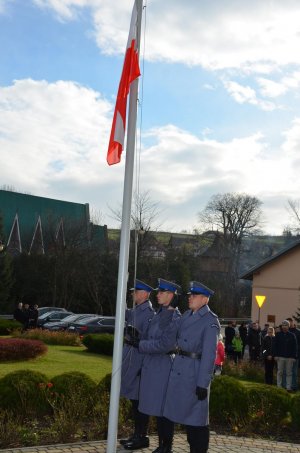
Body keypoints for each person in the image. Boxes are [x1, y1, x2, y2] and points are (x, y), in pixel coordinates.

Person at [140, 280, 220, 453]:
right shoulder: (186, 315)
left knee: (196, 422)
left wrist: (202, 383)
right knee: (174, 415)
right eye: (190, 295)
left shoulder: (210, 321)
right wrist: (170, 310)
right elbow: (166, 330)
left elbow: (209, 355)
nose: (190, 298)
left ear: (205, 299)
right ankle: (166, 447)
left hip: (193, 373)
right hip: (179, 370)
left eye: (194, 295)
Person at [138, 278, 182, 453]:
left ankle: (166, 446)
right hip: (152, 365)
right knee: (156, 408)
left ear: (171, 295)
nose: (158, 295)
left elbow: (165, 345)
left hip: (163, 365)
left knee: (164, 409)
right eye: (159, 291)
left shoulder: (174, 317)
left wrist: (140, 345)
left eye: (162, 292)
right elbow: (150, 337)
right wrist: (138, 338)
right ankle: (161, 445)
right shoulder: (159, 313)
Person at [120, 279, 155, 450]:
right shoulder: (136, 310)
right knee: (135, 403)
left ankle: (142, 436)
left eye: (135, 291)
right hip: (131, 362)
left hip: (139, 364)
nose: (132, 294)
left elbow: (149, 340)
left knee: (140, 403)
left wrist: (137, 338)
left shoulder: (148, 313)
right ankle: (136, 434)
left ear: (145, 294)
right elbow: (122, 312)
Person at [273, 319, 297, 391]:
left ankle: (288, 387)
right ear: (282, 326)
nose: (284, 326)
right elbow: (275, 346)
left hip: (289, 358)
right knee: (280, 372)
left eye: (286, 325)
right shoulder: (278, 335)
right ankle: (279, 386)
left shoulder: (292, 335)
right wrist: (276, 355)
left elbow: (295, 347)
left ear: (288, 326)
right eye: (283, 325)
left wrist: (294, 357)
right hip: (280, 357)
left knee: (289, 373)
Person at [286, 317, 300, 391]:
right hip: (287, 355)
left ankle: (294, 386)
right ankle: (286, 386)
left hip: (295, 356)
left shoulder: (298, 332)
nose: (288, 324)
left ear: (292, 322)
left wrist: (296, 351)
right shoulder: (286, 332)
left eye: (289, 323)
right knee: (286, 371)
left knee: (294, 371)